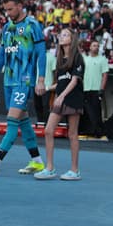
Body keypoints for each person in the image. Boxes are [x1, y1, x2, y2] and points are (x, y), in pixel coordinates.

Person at [0, 0, 47, 176]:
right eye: (6, 10)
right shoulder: (6, 28)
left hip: (24, 80)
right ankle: (37, 161)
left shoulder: (32, 25)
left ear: (20, 5)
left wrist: (41, 78)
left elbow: (42, 53)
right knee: (23, 121)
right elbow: (2, 56)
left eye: (10, 9)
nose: (8, 13)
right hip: (9, 81)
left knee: (11, 121)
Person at [36, 28, 85, 180]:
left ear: (72, 38)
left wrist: (62, 96)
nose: (61, 37)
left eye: (65, 35)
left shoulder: (77, 57)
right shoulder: (59, 59)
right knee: (48, 130)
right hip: (60, 98)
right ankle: (50, 168)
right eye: (61, 35)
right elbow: (61, 82)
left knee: (72, 134)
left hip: (72, 98)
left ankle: (74, 170)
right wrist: (47, 89)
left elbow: (75, 80)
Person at [81, 40, 108, 138]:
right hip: (86, 88)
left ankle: (98, 131)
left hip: (96, 89)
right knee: (86, 111)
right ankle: (87, 130)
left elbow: (105, 75)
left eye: (97, 46)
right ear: (90, 48)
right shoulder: (85, 59)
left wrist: (102, 89)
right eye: (94, 45)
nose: (96, 47)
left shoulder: (102, 59)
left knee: (96, 110)